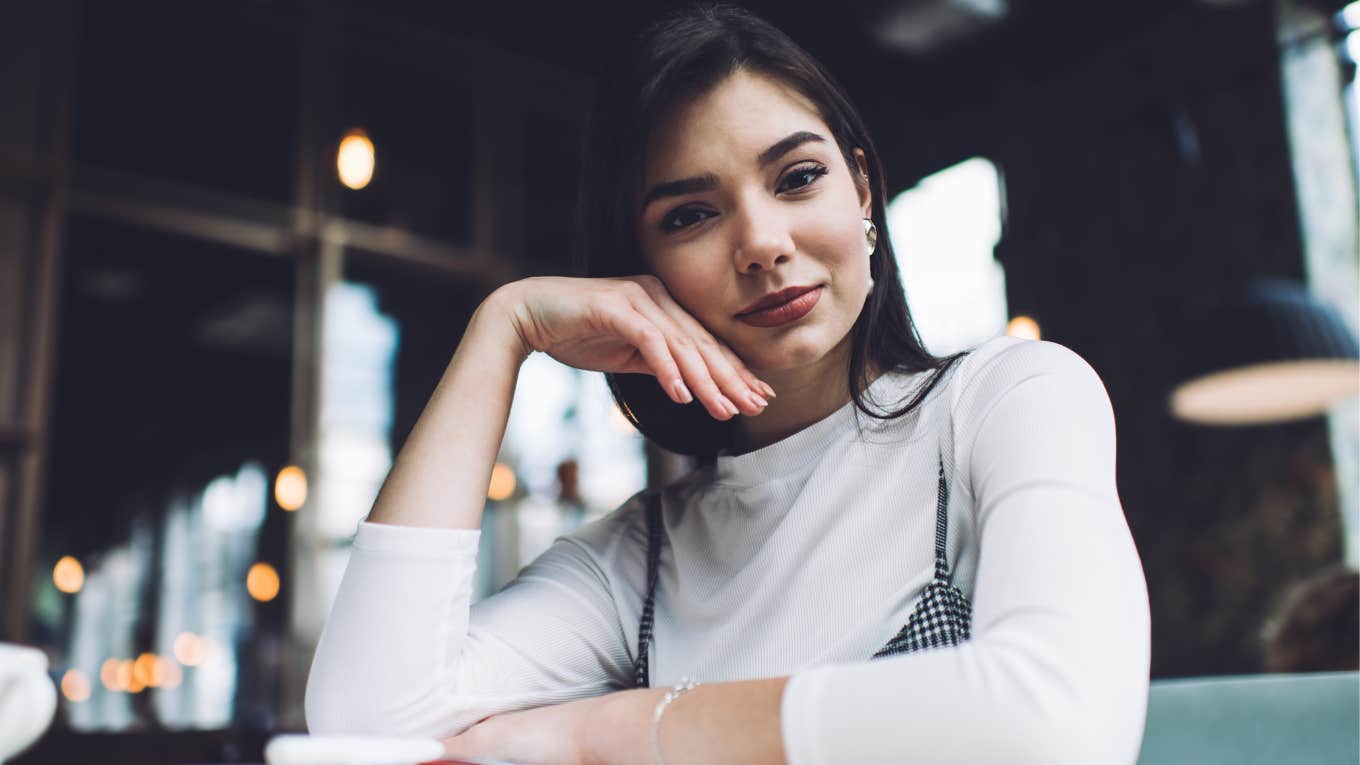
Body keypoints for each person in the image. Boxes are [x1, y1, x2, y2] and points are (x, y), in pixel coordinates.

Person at [304, 5, 1152, 764]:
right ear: (642, 273)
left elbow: (1059, 720)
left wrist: (603, 730)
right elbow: (370, 724)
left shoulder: (1006, 400)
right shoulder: (640, 559)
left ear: (862, 190)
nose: (762, 242)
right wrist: (503, 328)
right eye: (690, 215)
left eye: (798, 177)